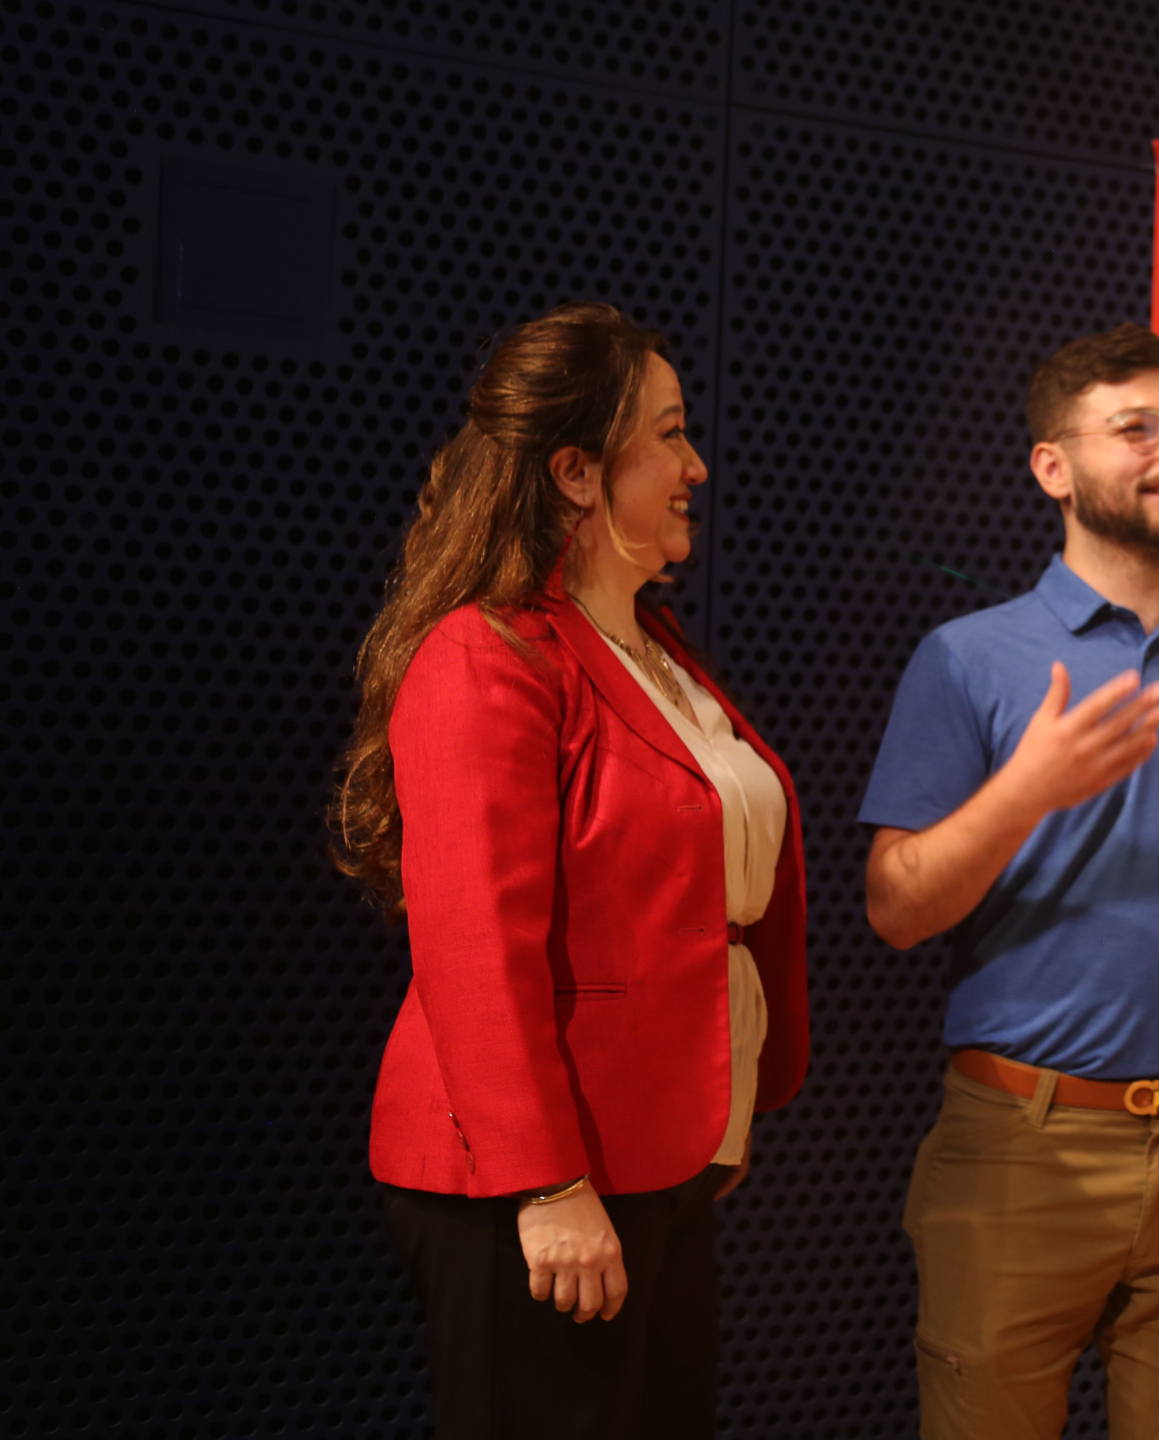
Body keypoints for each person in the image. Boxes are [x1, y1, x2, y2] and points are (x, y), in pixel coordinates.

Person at [860, 323, 1159, 1440]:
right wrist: (1023, 792)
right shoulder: (968, 657)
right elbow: (895, 906)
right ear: (1054, 467)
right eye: (1137, 427)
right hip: (1022, 1143)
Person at [330, 302, 808, 1440]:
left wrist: (725, 1102)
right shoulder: (485, 654)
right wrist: (546, 1184)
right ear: (578, 472)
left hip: (660, 1148)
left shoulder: (657, 656)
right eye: (670, 435)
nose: (697, 466)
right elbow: (473, 950)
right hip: (536, 1175)